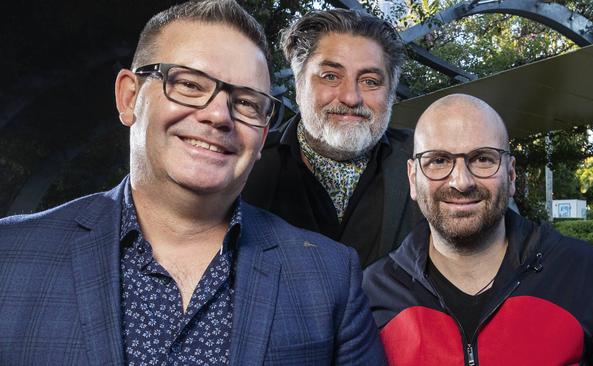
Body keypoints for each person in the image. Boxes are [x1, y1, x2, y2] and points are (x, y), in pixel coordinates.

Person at [0, 1, 386, 365]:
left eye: (247, 103)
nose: (219, 115)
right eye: (189, 84)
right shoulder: (10, 255)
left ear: (263, 132)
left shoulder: (328, 276)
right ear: (129, 97)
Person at [363, 94, 593, 365]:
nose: (461, 182)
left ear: (511, 174)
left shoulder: (579, 268)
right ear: (413, 179)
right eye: (438, 161)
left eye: (483, 159)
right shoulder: (373, 289)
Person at [242, 9, 422, 268]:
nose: (351, 97)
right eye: (330, 76)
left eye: (370, 81)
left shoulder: (429, 162)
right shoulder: (245, 165)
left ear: (391, 93)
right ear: (298, 83)